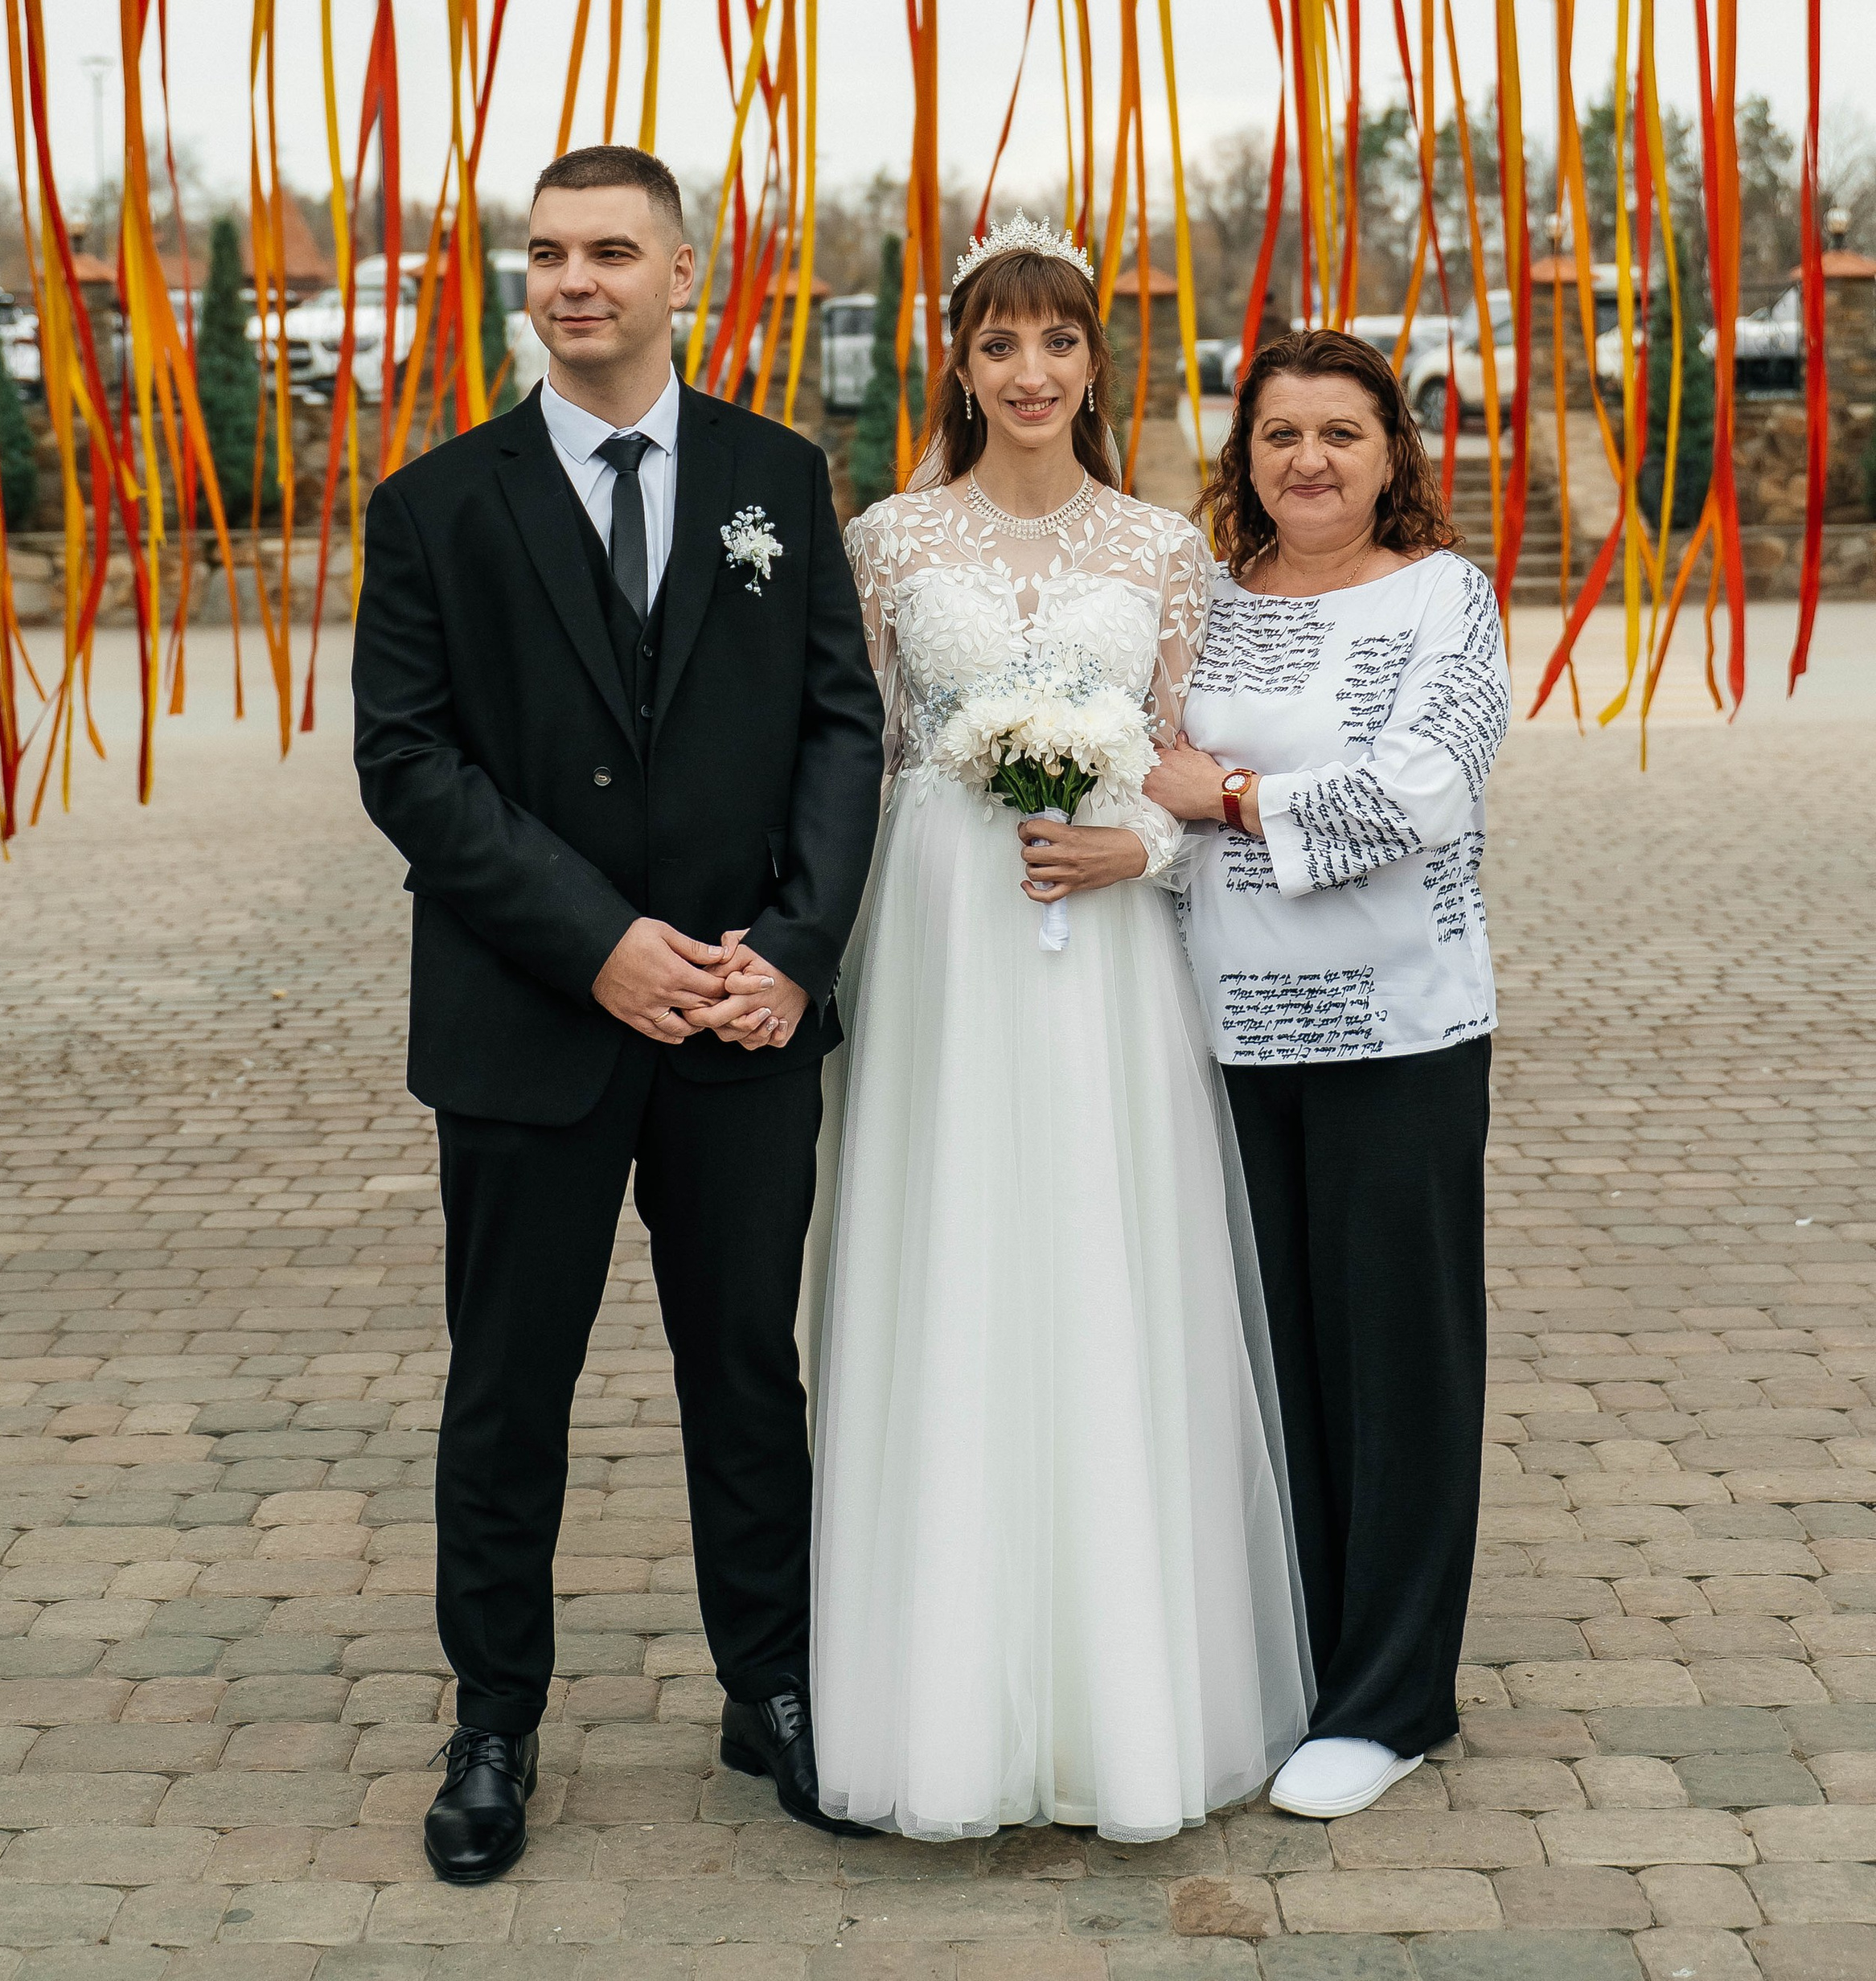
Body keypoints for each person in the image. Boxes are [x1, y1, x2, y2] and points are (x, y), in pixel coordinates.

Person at [352, 145, 885, 1885]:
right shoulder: (436, 503)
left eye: (608, 252)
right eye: (546, 254)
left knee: (746, 1371)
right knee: (510, 1386)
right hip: (530, 1025)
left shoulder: (774, 476)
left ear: (681, 273)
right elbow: (407, 760)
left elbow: (839, 727)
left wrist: (795, 949)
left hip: (741, 1018)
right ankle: (494, 1719)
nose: (573, 281)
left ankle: (771, 1685)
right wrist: (592, 943)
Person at [809, 218, 1309, 1844]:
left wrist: (1136, 849)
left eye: (1058, 341)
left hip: (1101, 946)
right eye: (999, 343)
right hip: (940, 941)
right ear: (959, 367)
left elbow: (1179, 760)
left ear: (1096, 364)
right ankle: (936, 1702)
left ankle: (1124, 1702)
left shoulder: (1161, 550)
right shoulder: (885, 540)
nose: (1030, 372)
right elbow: (861, 757)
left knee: (1101, 1255)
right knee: (950, 1252)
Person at [1143, 328, 1510, 1823]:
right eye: (1281, 434)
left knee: (1396, 1369)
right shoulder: (1210, 604)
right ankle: (1303, 1666)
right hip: (1226, 1030)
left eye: (1341, 434)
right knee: (1271, 1358)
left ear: (1390, 453)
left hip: (1396, 1032)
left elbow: (1423, 793)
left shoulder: (1445, 598)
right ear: (1245, 455)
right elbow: (1142, 775)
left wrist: (1228, 795)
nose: (1309, 460)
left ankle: (1395, 1698)